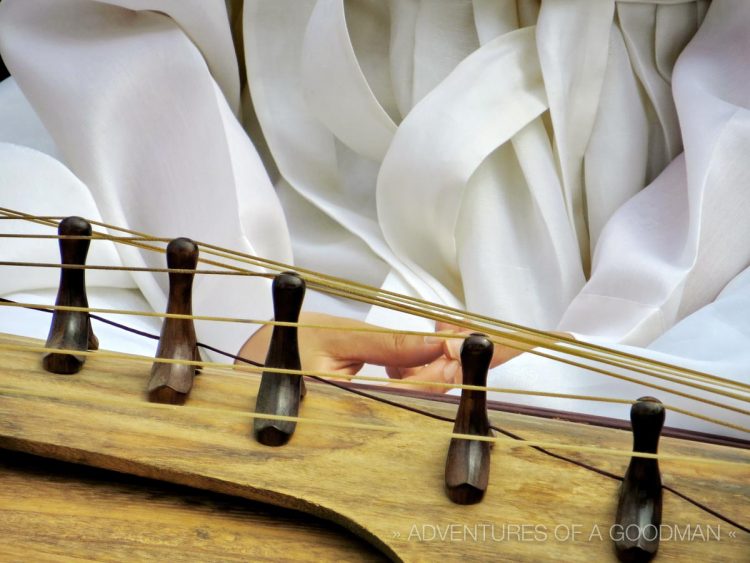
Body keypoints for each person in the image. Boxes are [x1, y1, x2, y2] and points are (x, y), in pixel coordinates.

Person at [0, 0, 747, 436]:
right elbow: (98, 25)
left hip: (658, 242)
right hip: (234, 190)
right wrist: (237, 309)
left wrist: (600, 340)